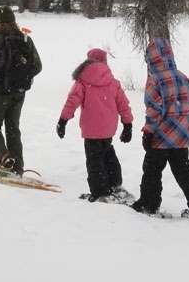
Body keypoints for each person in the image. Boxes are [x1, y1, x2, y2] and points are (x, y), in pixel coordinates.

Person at [130, 37, 189, 221]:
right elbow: (188, 106)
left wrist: (148, 131)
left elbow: (154, 109)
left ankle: (148, 202)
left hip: (161, 135)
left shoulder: (155, 80)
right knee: (183, 170)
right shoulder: (183, 76)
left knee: (152, 169)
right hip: (181, 135)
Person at [56, 48, 134, 202]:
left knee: (94, 161)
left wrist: (63, 120)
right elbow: (123, 104)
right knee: (108, 155)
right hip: (108, 129)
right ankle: (115, 184)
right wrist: (127, 124)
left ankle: (100, 192)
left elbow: (72, 101)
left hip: (91, 130)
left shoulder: (83, 82)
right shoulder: (113, 82)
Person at [0, 6, 42, 175]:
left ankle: (4, 157)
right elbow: (37, 66)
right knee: (13, 128)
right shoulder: (25, 38)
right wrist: (22, 77)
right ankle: (18, 166)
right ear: (14, 20)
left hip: (0, 92)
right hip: (20, 92)